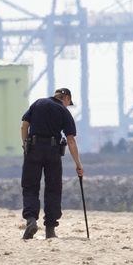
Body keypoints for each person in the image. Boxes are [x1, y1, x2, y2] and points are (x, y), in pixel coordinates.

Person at [20, 88, 84, 240]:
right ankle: (50, 230)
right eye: (69, 103)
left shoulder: (38, 103)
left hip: (33, 149)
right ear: (66, 98)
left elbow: (24, 126)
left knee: (30, 187)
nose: (68, 106)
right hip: (53, 151)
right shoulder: (63, 111)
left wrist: (25, 145)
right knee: (53, 189)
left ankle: (31, 220)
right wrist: (78, 165)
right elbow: (71, 140)